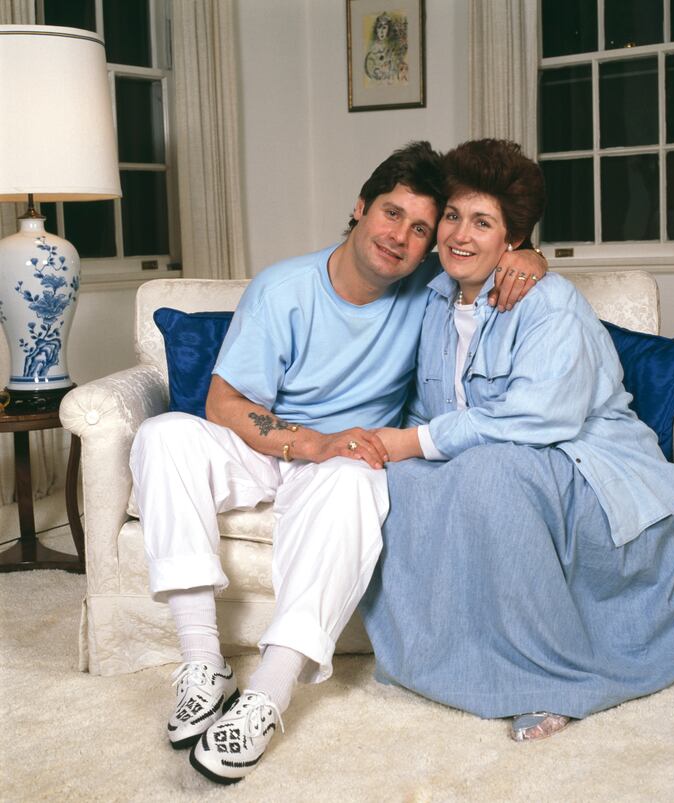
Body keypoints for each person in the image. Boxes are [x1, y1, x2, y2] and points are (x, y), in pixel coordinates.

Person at [129, 140, 546, 784]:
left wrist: (529, 256)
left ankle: (266, 695)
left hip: (342, 463)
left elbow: (486, 258)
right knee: (162, 436)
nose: (399, 237)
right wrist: (311, 440)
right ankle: (201, 661)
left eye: (420, 229)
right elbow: (223, 401)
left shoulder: (430, 294)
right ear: (359, 208)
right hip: (271, 445)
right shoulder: (283, 288)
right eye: (390, 213)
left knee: (356, 477)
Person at [359, 138, 674, 742]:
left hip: (587, 464)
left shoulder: (550, 302)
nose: (459, 235)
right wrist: (392, 447)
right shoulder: (434, 300)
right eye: (452, 216)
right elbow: (427, 405)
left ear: (513, 240)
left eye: (483, 222)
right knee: (399, 480)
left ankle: (552, 680)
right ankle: (443, 659)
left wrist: (415, 441)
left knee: (490, 472)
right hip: (493, 461)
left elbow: (539, 419)